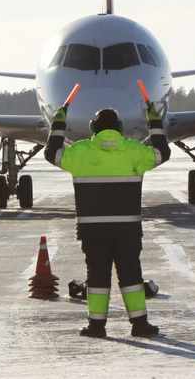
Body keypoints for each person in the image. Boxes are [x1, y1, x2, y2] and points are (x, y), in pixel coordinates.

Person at [44, 104, 170, 337]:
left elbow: (52, 153)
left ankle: (96, 326)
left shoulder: (80, 152)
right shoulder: (133, 151)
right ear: (120, 129)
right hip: (127, 229)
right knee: (131, 278)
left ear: (93, 128)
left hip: (93, 230)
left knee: (97, 278)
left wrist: (58, 124)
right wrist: (154, 122)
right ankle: (140, 325)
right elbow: (163, 152)